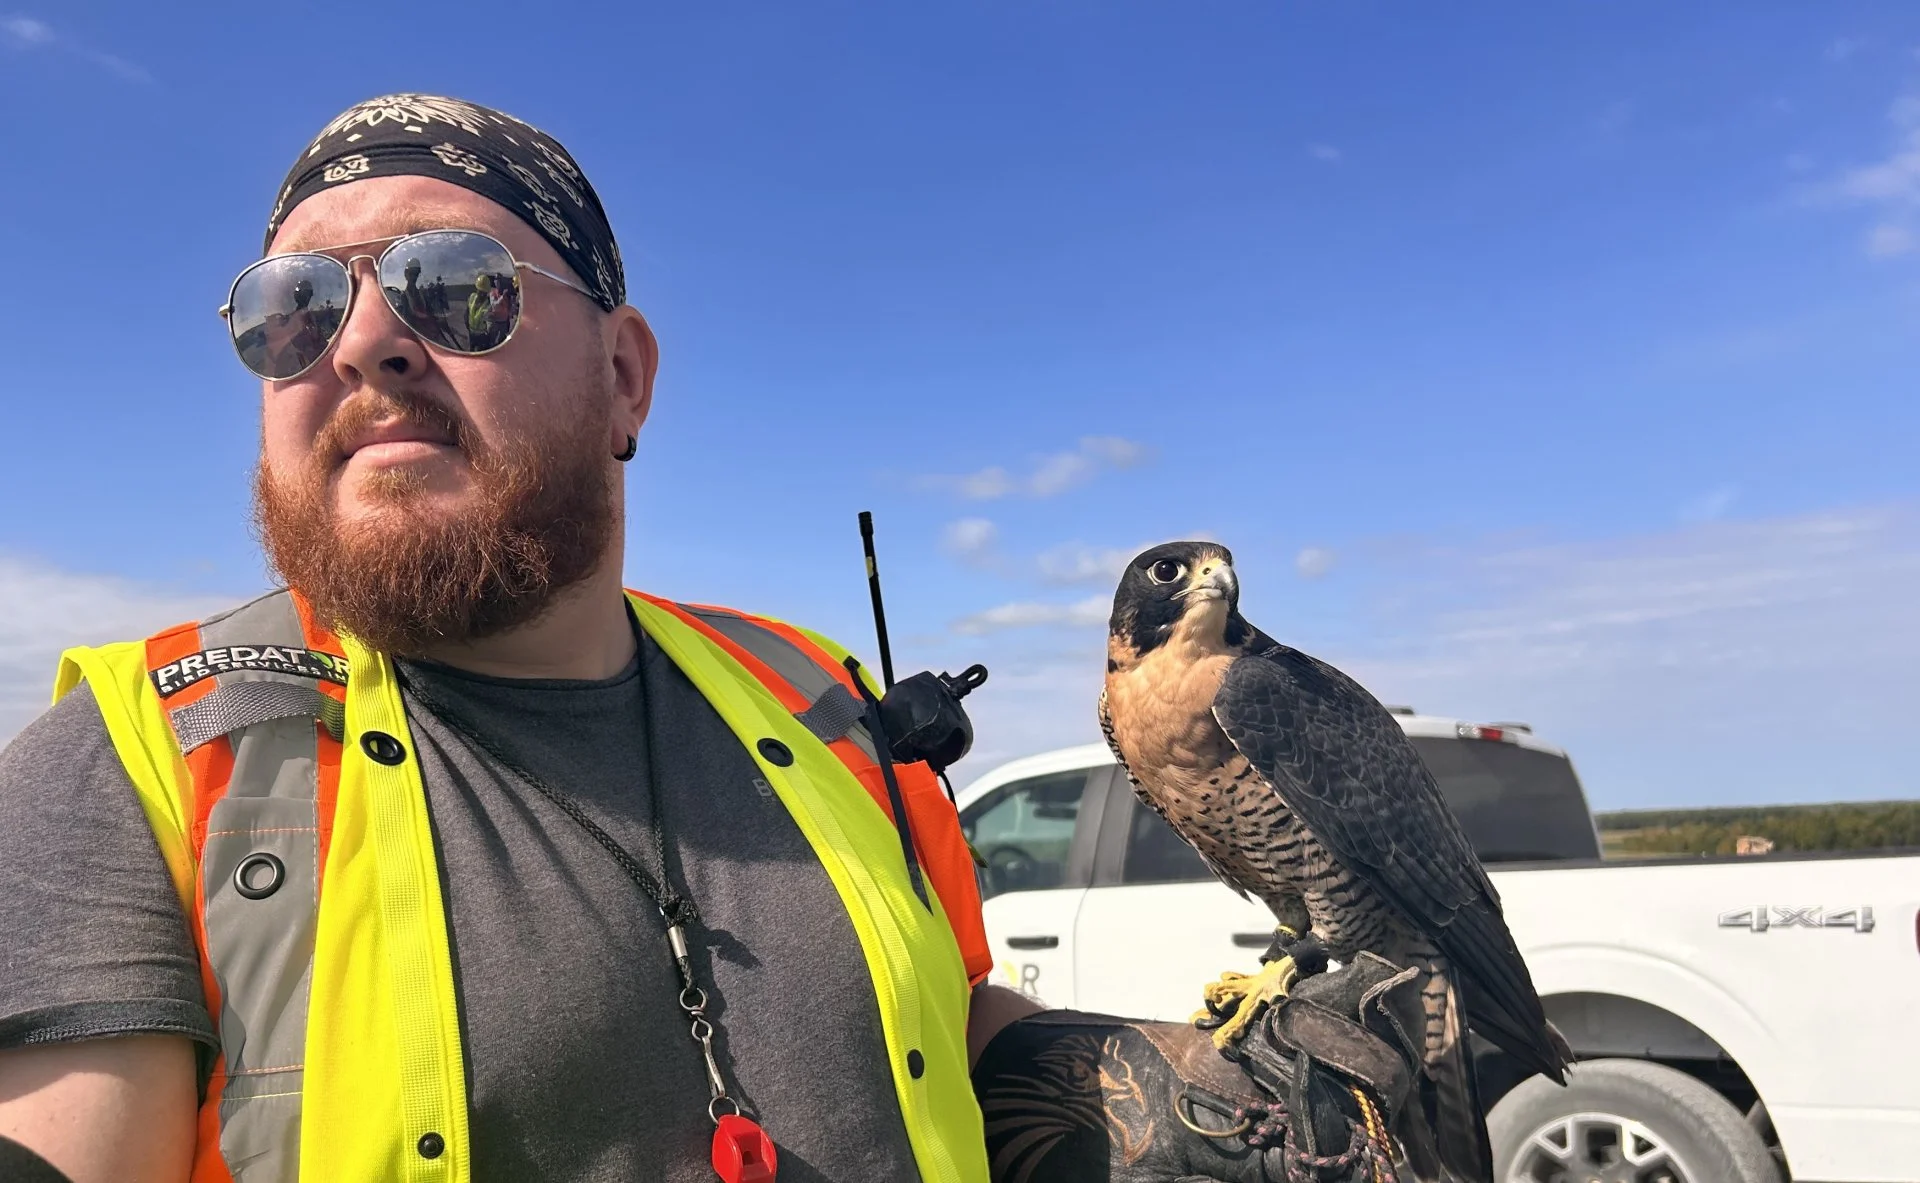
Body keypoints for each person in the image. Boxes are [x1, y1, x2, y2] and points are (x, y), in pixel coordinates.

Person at [0, 93, 1422, 1183]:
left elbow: (937, 1014)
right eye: (292, 307)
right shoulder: (137, 758)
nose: (363, 338)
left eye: (454, 284)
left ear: (624, 378)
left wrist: (1158, 1090)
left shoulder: (812, 697)